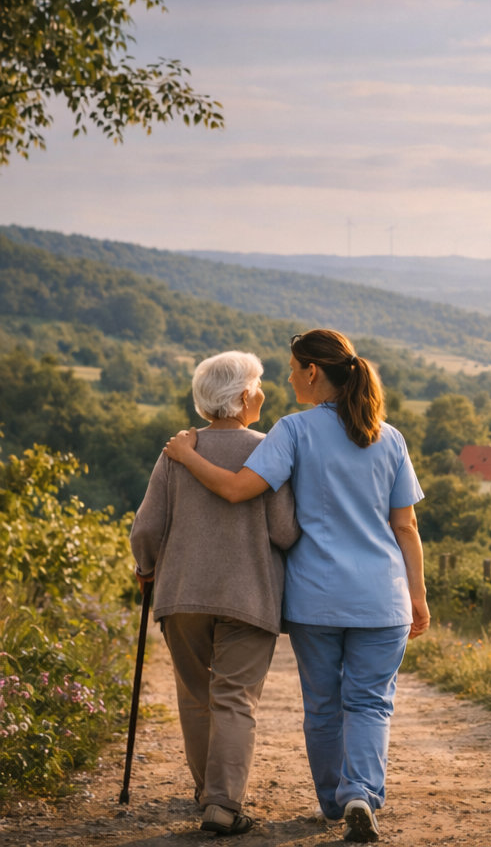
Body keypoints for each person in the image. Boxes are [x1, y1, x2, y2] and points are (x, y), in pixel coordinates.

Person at [165, 329, 429, 844]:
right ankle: (361, 793)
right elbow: (407, 528)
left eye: (292, 368)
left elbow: (240, 490)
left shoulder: (292, 431)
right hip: (383, 597)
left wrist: (188, 455)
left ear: (313, 372)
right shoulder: (389, 437)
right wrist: (417, 596)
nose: (287, 378)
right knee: (372, 702)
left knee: (324, 704)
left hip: (316, 599)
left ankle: (333, 801)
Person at [130, 351, 299, 837]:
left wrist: (146, 568)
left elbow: (147, 527)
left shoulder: (178, 451)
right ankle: (224, 804)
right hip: (248, 596)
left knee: (197, 697)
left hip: (181, 593)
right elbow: (285, 531)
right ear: (245, 396)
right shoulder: (269, 449)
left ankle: (208, 792)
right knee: (234, 699)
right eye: (260, 385)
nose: (264, 393)